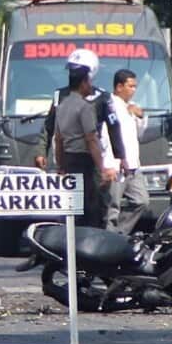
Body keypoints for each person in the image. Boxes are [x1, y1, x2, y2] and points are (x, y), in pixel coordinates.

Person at [54, 55, 116, 228]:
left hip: (68, 158)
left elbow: (58, 139)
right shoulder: (85, 107)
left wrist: (60, 166)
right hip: (85, 162)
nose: (90, 86)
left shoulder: (62, 106)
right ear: (82, 83)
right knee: (94, 205)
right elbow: (91, 139)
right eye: (88, 82)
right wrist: (102, 168)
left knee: (73, 204)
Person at [100, 69, 149, 234]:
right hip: (116, 164)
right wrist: (110, 163)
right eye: (131, 86)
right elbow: (105, 137)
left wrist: (139, 116)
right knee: (113, 206)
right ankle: (108, 240)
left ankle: (119, 234)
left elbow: (139, 135)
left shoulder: (131, 107)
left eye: (135, 86)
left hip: (133, 164)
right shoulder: (109, 105)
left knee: (141, 201)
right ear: (119, 86)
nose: (134, 90)